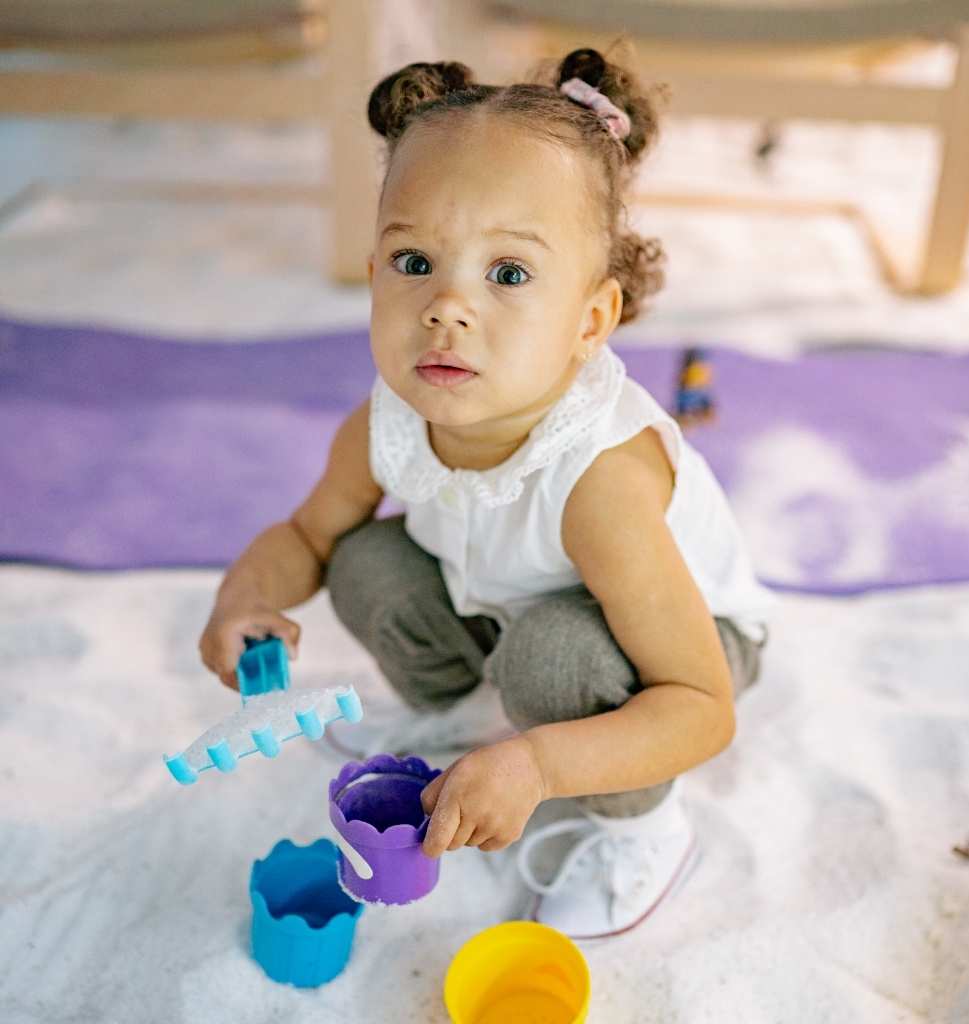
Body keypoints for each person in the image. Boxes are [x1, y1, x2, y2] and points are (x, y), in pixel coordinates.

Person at [198, 44, 777, 940]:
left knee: (554, 658)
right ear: (373, 272)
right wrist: (242, 602)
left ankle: (644, 830)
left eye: (507, 274)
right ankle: (471, 711)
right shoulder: (389, 420)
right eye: (414, 261)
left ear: (590, 320)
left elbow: (703, 709)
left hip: (676, 656)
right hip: (506, 610)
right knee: (364, 560)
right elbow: (307, 537)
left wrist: (540, 766)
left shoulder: (600, 480)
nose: (446, 306)